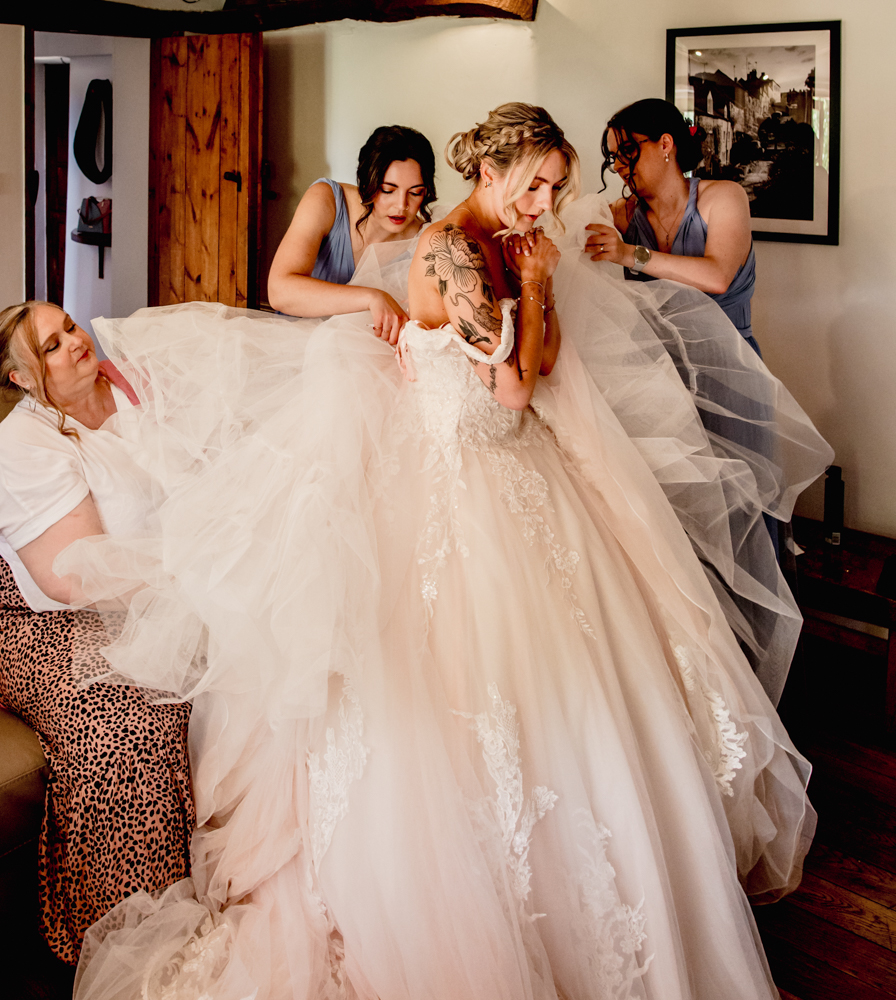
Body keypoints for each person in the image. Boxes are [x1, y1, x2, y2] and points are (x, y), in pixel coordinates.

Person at [64, 105, 829, 1000]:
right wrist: (537, 288)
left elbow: (541, 368)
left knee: (590, 683)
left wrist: (538, 286)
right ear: (491, 172)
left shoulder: (510, 242)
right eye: (534, 184)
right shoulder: (451, 254)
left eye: (555, 186)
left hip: (527, 480)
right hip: (453, 487)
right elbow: (510, 390)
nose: (546, 203)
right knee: (466, 698)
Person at [0, 302, 196, 965]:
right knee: (123, 707)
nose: (74, 342)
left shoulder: (129, 384)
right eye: (51, 346)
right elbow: (75, 575)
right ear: (24, 379)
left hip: (146, 583)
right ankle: (119, 931)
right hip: (29, 615)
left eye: (69, 328)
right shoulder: (23, 443)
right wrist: (199, 575)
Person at [586, 98, 760, 355]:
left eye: (627, 151)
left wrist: (628, 254)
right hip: (655, 372)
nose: (619, 166)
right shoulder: (622, 214)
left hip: (729, 365)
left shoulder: (725, 197)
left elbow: (718, 277)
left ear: (665, 144)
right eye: (614, 157)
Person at [267, 124, 436, 344]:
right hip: (290, 346)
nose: (401, 205)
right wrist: (371, 297)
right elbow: (279, 292)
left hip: (358, 359)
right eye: (388, 190)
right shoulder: (327, 200)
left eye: (415, 193)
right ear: (367, 182)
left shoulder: (424, 241)